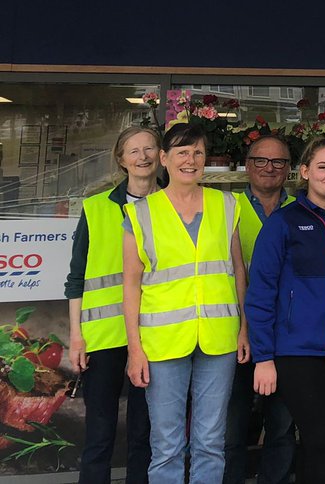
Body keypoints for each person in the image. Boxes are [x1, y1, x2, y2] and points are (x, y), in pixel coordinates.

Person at [123, 122, 250, 484]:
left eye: (197, 152)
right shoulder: (141, 213)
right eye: (181, 152)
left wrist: (244, 328)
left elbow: (237, 269)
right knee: (166, 444)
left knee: (211, 441)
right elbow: (131, 286)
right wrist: (135, 348)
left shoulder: (227, 205)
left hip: (219, 338)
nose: (190, 160)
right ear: (164, 159)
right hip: (162, 343)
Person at [245, 138, 325, 484]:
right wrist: (264, 357)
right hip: (296, 351)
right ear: (304, 172)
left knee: (318, 443)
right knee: (323, 440)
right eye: (323, 166)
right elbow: (260, 292)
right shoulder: (283, 223)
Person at [66, 125, 160, 484]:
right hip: (104, 335)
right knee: (99, 432)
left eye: (150, 149)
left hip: (155, 334)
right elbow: (76, 278)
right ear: (121, 160)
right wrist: (76, 336)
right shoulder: (95, 208)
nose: (143, 157)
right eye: (134, 151)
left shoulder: (172, 205)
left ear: (160, 156)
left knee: (144, 432)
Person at [225, 134, 296, 484]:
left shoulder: (301, 210)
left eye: (279, 162)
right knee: (231, 431)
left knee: (281, 429)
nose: (270, 168)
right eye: (261, 161)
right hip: (236, 335)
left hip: (286, 336)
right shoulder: (227, 209)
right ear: (247, 166)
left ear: (290, 170)